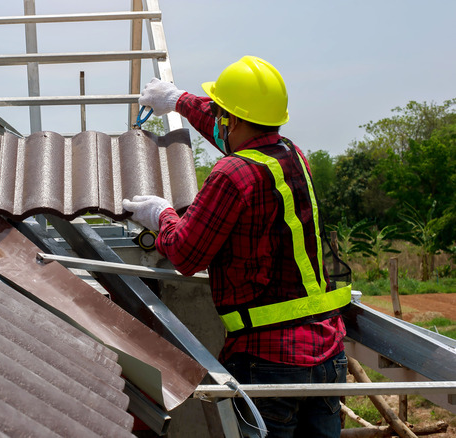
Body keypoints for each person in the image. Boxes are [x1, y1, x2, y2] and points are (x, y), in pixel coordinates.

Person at [123, 56, 352, 437]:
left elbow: (185, 253)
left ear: (235, 119)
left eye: (222, 113)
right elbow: (228, 135)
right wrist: (178, 100)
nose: (218, 120)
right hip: (327, 352)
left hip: (269, 361)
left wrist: (160, 214)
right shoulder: (294, 158)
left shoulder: (232, 175)